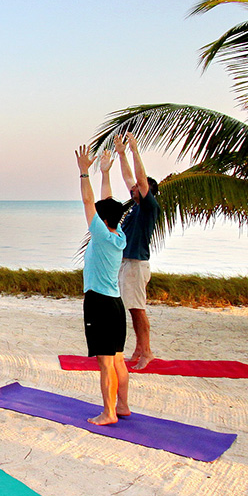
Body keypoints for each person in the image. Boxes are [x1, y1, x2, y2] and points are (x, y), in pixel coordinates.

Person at [76, 145, 131, 425]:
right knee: (118, 359)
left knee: (105, 362)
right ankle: (122, 406)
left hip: (99, 303)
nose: (94, 217)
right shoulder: (117, 232)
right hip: (115, 304)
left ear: (102, 220)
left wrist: (85, 172)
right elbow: (109, 203)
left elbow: (89, 203)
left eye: (98, 216)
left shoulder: (101, 234)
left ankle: (109, 413)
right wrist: (106, 173)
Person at [115, 133, 160, 370]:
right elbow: (129, 179)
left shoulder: (148, 208)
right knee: (132, 309)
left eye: (138, 188)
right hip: (127, 264)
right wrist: (121, 153)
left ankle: (147, 352)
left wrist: (134, 151)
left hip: (136, 264)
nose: (133, 188)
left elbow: (140, 181)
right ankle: (139, 349)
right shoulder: (134, 209)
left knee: (138, 310)